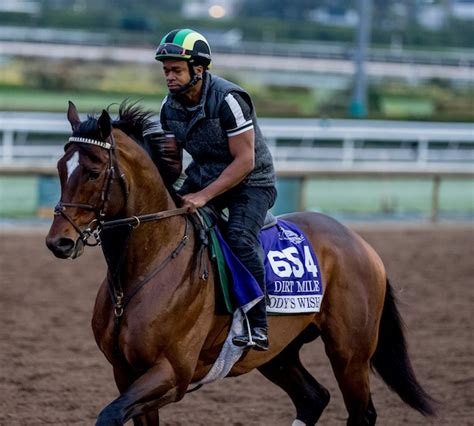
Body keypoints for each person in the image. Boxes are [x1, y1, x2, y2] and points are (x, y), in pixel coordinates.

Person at [155, 28, 276, 351]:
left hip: (251, 182)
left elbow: (244, 161)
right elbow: (173, 164)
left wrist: (203, 196)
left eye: (176, 70)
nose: (169, 77)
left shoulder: (229, 99)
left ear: (199, 69)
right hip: (205, 176)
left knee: (238, 237)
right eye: (166, 70)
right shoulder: (169, 107)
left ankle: (257, 323)